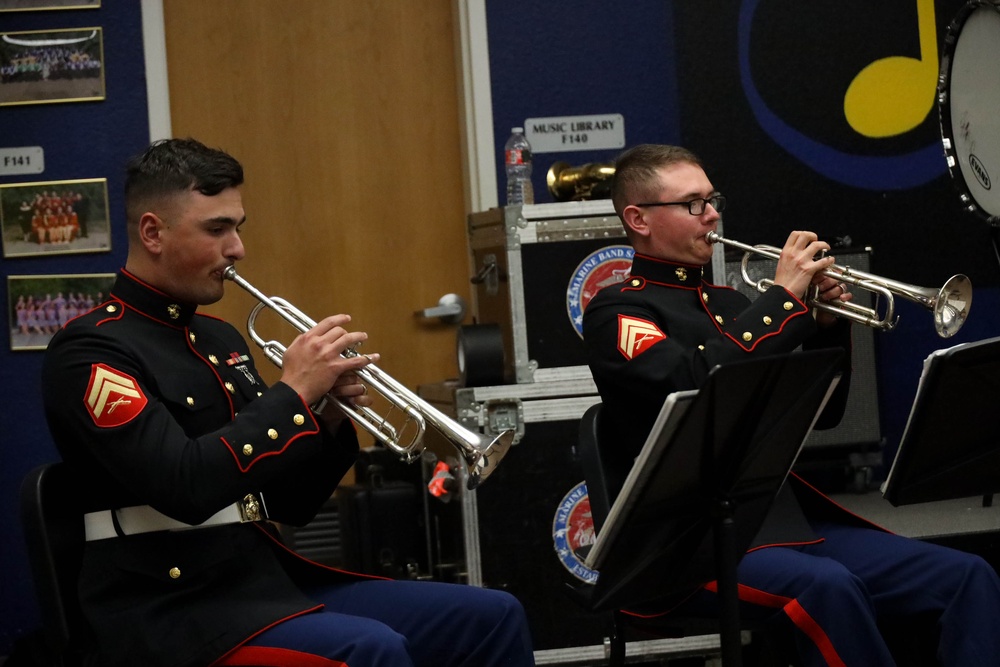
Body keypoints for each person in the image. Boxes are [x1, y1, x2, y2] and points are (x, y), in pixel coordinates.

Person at [41, 138, 535, 667]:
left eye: (238, 227)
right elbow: (184, 486)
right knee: (373, 649)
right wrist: (293, 394)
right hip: (171, 609)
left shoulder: (219, 338)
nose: (237, 249)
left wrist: (323, 417)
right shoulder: (92, 352)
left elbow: (291, 503)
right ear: (153, 233)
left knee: (494, 614)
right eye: (217, 229)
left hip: (266, 584)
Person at [582, 143, 1000, 666]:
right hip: (680, 549)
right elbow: (691, 380)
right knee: (827, 589)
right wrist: (782, 299)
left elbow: (822, 415)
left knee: (967, 576)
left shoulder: (732, 304)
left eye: (713, 199)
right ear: (638, 219)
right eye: (692, 204)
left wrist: (827, 327)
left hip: (776, 523)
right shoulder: (618, 310)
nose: (712, 214)